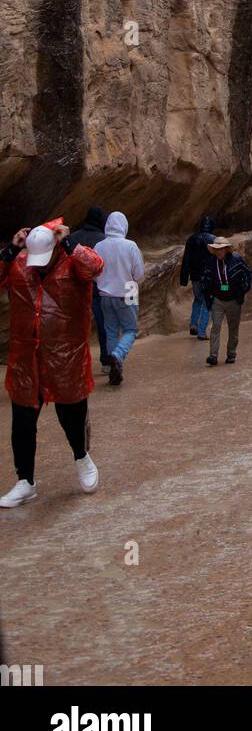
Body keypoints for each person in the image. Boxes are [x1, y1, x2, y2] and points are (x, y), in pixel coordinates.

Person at [0, 220, 103, 507]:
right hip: (26, 359)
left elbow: (95, 267)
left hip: (65, 357)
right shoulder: (19, 263)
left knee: (72, 414)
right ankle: (25, 481)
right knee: (22, 422)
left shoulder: (73, 262)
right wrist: (10, 250)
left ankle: (82, 456)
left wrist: (70, 244)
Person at [95, 211, 145, 387]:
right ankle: (118, 355)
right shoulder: (130, 245)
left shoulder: (99, 246)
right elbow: (139, 273)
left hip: (105, 294)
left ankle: (113, 366)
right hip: (128, 290)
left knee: (110, 331)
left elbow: (94, 270)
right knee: (131, 329)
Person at [69, 206, 111, 374]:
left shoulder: (72, 238)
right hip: (98, 290)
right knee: (103, 327)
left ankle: (75, 363)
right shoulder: (104, 240)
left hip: (75, 289)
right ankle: (106, 361)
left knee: (76, 328)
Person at [200, 236, 252, 365]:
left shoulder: (237, 260)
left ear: (226, 249)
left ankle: (231, 354)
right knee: (215, 327)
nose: (219, 252)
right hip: (217, 300)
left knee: (233, 329)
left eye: (222, 249)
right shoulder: (210, 262)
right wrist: (208, 296)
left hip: (233, 300)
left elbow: (248, 274)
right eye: (217, 249)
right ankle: (213, 355)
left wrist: (243, 290)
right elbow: (205, 280)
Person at [179, 215, 216, 339]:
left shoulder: (191, 239)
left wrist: (184, 278)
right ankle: (201, 331)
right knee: (208, 303)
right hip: (208, 277)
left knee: (198, 299)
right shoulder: (213, 240)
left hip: (195, 276)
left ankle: (193, 324)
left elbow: (186, 259)